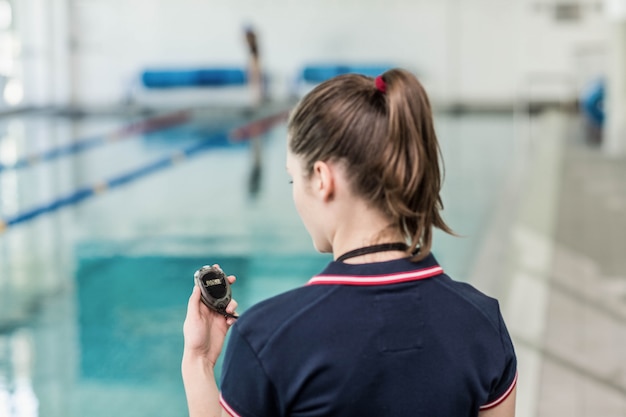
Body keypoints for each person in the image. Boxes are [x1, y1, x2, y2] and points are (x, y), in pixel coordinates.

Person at [182, 68, 518, 417]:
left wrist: (199, 362)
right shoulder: (481, 321)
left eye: (292, 180)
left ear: (322, 179)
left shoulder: (269, 339)